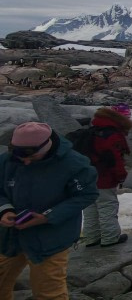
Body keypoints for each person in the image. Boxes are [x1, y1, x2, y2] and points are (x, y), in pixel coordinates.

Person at [0, 122, 98, 299]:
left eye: (31, 156)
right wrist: (4, 211)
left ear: (47, 146)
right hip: (9, 236)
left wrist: (48, 217)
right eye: (19, 155)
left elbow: (87, 195)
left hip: (50, 238)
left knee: (49, 292)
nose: (25, 161)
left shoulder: (74, 164)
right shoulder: (7, 161)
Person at [81, 103, 132, 247]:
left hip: (87, 176)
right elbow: (115, 159)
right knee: (107, 207)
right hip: (104, 177)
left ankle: (92, 238)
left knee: (90, 207)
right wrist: (121, 176)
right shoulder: (112, 134)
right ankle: (110, 238)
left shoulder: (94, 129)